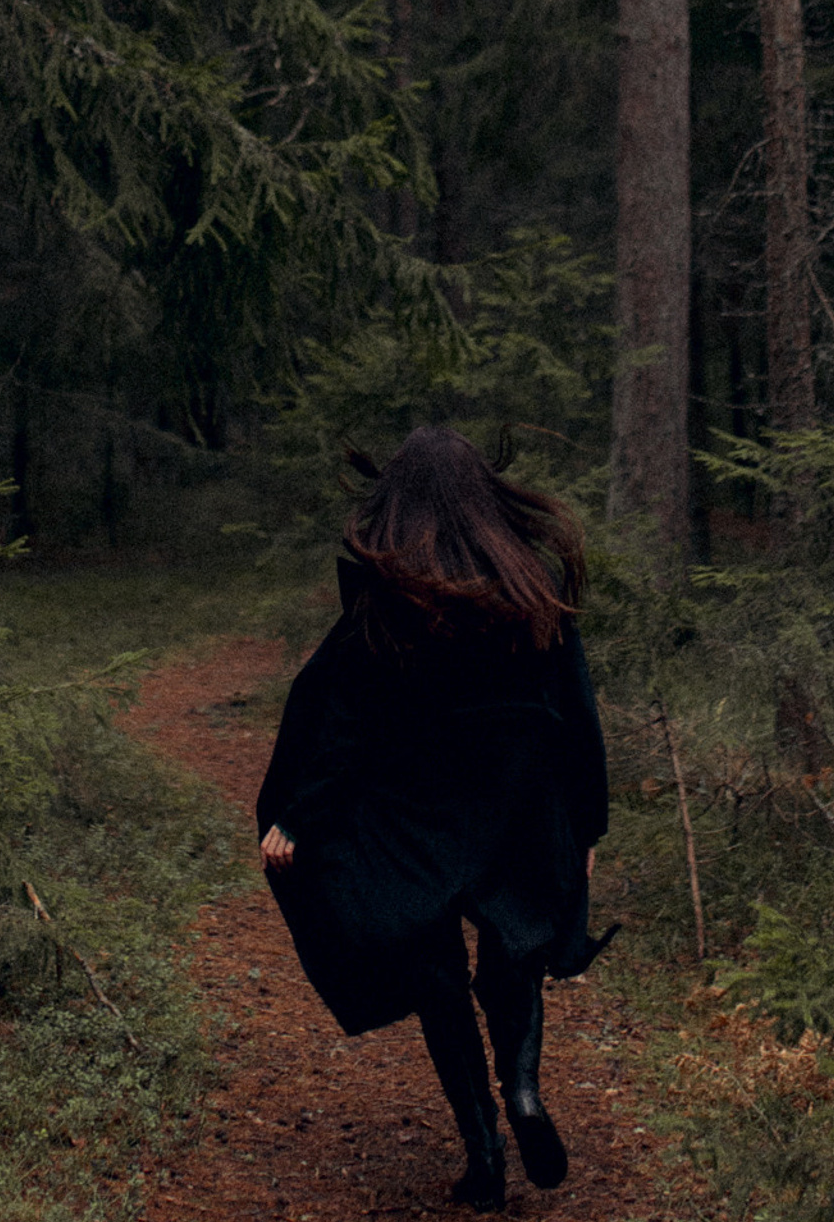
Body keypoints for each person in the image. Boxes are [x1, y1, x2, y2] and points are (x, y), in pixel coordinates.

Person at [255, 425, 610, 1210]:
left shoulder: (390, 596)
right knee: (511, 955)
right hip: (519, 806)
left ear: (401, 500)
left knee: (435, 971)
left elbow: (343, 726)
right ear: (483, 496)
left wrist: (296, 818)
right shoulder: (531, 582)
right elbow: (576, 712)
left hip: (413, 818)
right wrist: (587, 825)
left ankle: (483, 1153)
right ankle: (522, 1091)